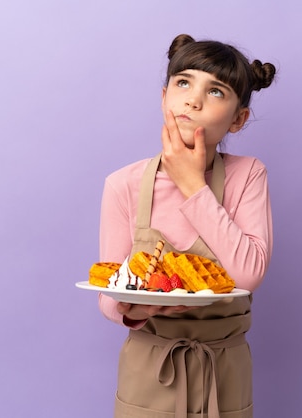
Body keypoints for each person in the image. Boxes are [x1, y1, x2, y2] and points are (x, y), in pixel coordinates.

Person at [97, 33, 276, 418]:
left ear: (238, 119)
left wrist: (192, 185)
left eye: (216, 92)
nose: (193, 99)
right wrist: (135, 307)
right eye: (184, 82)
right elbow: (108, 293)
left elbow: (248, 273)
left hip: (223, 369)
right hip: (149, 370)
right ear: (164, 98)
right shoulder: (123, 184)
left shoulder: (248, 176)